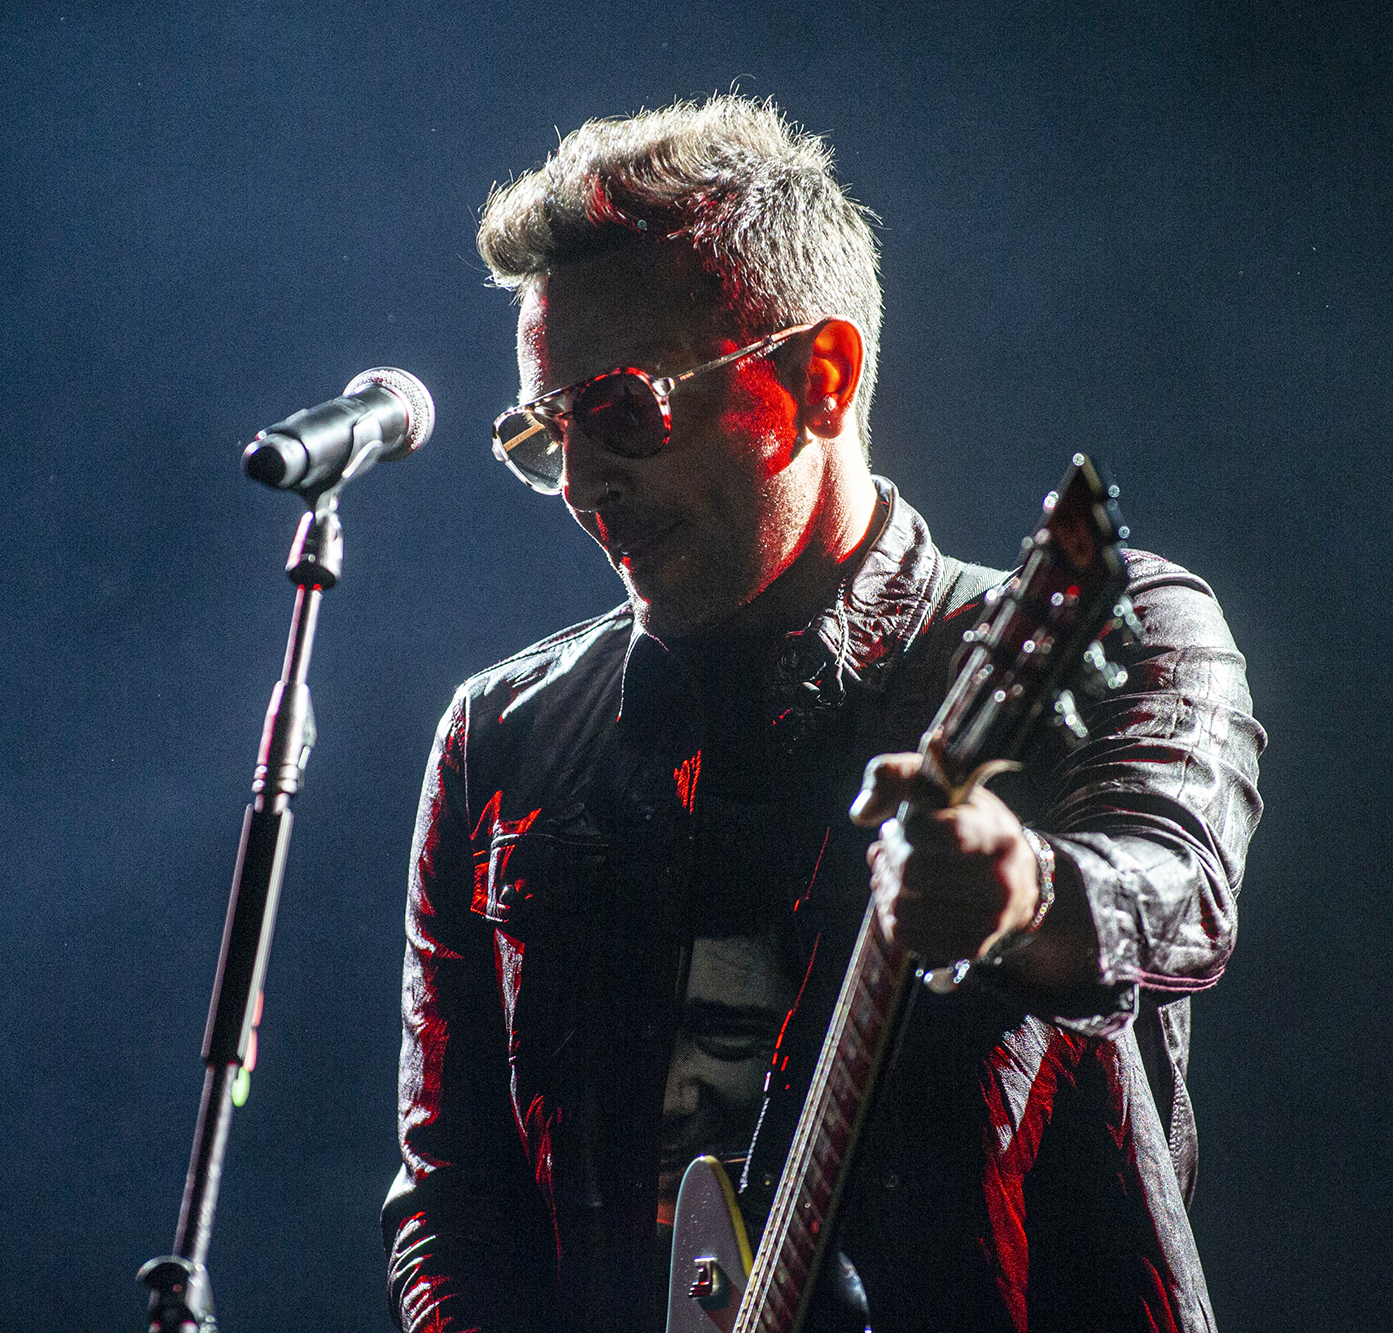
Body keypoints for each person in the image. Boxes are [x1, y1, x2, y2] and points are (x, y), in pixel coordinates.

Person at [383, 95, 1264, 1333]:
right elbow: (451, 1206)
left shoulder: (1127, 625)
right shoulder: (500, 742)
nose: (579, 482)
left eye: (623, 410)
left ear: (821, 378)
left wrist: (1022, 889)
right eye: (545, 433)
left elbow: (1175, 891)